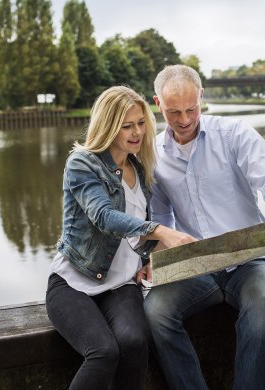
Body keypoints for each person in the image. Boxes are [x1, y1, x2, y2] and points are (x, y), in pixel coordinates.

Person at [144, 65, 265, 390]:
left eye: (191, 109)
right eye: (173, 112)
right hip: (197, 265)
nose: (183, 120)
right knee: (154, 313)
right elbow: (160, 221)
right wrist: (151, 260)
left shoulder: (234, 133)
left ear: (202, 97)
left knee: (262, 306)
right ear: (157, 103)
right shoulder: (153, 154)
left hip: (253, 261)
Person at [45, 85, 195, 390]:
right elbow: (104, 216)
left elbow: (138, 227)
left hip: (122, 284)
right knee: (103, 352)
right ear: (109, 126)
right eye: (127, 126)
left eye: (141, 123)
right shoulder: (82, 163)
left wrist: (150, 258)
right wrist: (162, 232)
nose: (137, 132)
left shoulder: (139, 167)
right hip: (74, 282)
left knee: (135, 342)